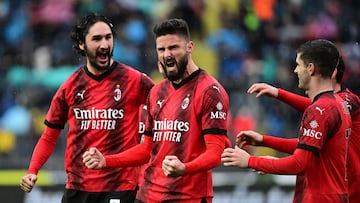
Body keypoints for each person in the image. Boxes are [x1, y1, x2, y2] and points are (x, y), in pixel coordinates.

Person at [82, 18, 231, 203]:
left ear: (189, 47)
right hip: (148, 195)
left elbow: (216, 154)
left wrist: (185, 168)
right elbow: (146, 150)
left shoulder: (209, 92)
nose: (167, 55)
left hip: (188, 197)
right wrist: (106, 161)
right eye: (161, 50)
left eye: (173, 48)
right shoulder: (156, 93)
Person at [19, 13, 155, 203]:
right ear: (82, 44)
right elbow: (49, 136)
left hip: (119, 187)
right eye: (97, 39)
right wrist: (32, 170)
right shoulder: (70, 86)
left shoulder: (136, 81)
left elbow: (166, 109)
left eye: (108, 37)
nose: (105, 45)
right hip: (77, 188)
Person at [221, 39, 352, 203]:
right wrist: (263, 141)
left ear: (310, 69)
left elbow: (299, 163)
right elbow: (309, 149)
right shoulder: (339, 104)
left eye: (298, 65)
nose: (296, 70)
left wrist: (249, 161)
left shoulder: (319, 111)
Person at [246, 56, 360, 203]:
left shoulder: (349, 102)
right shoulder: (323, 112)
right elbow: (306, 147)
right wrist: (264, 141)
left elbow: (323, 109)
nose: (297, 71)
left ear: (331, 72)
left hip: (347, 194)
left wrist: (279, 94)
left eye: (306, 67)